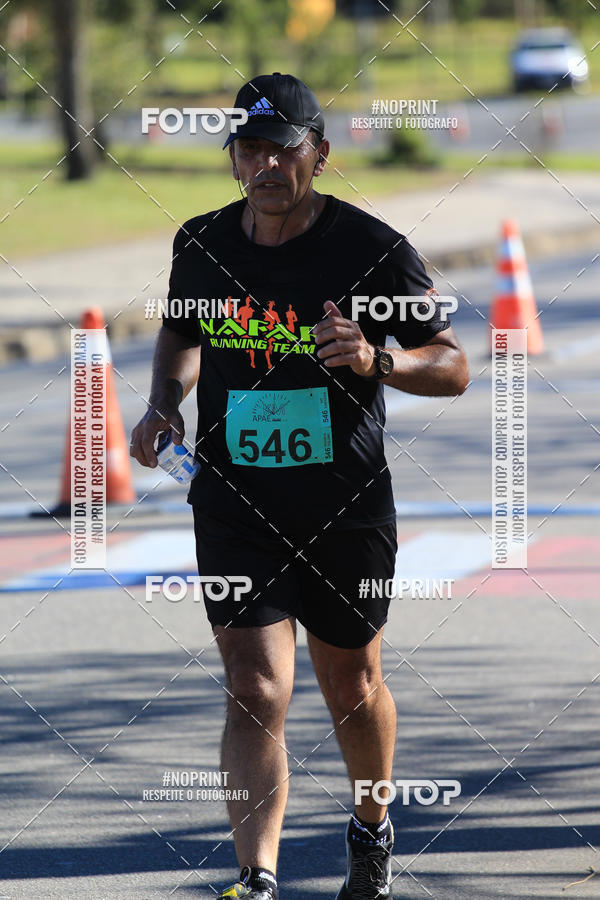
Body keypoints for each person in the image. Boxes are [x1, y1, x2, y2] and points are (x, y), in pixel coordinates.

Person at [130, 73, 469, 900]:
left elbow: (454, 365)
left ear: (320, 153)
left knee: (350, 684)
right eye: (250, 148)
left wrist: (377, 359)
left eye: (285, 147)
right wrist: (162, 403)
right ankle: (259, 876)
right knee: (253, 686)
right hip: (235, 500)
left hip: (344, 505)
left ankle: (371, 827)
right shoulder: (203, 241)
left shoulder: (371, 249)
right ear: (234, 159)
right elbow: (182, 326)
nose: (267, 165)